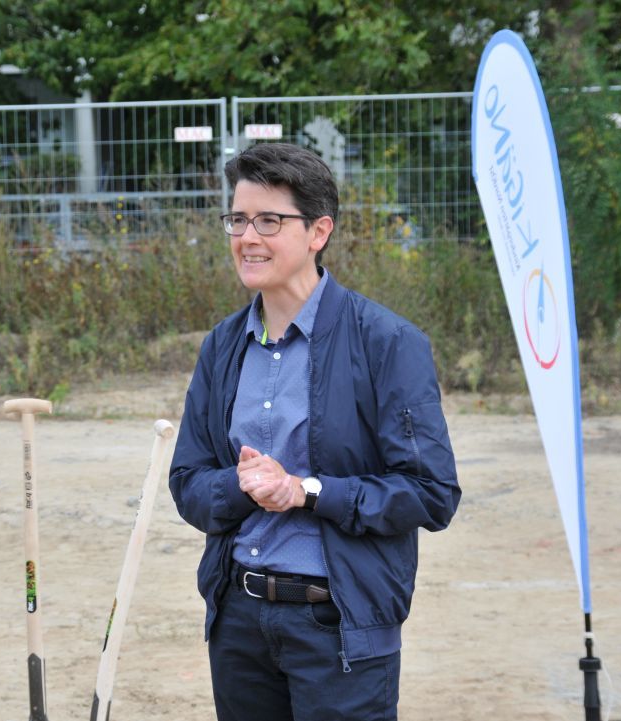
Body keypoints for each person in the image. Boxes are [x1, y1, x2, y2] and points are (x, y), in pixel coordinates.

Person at [168, 142, 461, 721]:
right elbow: (188, 482)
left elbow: (430, 493)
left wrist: (308, 491)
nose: (247, 237)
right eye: (237, 219)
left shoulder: (386, 342)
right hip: (240, 624)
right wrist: (242, 486)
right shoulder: (222, 347)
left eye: (270, 221)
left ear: (318, 232)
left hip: (339, 627)